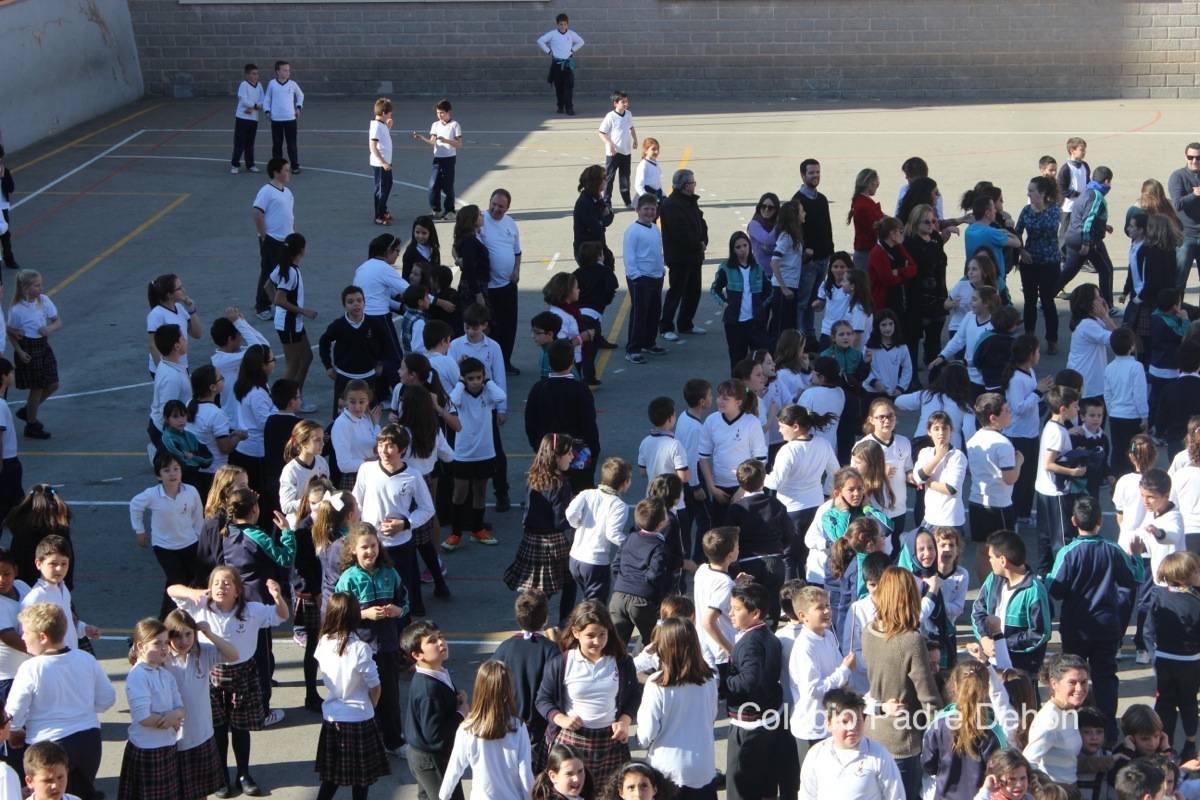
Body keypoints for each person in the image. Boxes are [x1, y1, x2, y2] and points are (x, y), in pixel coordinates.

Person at [167, 567, 288, 797]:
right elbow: (172, 589)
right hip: (212, 671)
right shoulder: (199, 606)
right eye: (216, 583)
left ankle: (243, 774)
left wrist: (277, 597)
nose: (221, 588)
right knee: (218, 728)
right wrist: (193, 593)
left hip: (243, 672)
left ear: (238, 591)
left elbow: (281, 615)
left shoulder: (252, 610)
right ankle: (221, 774)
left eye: (227, 583)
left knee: (241, 728)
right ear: (209, 588)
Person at [1047, 496, 1144, 742]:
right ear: (1101, 521)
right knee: (1105, 675)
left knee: (1073, 675)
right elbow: (1134, 579)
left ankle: (1075, 723)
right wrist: (1137, 556)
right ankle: (1107, 728)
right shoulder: (1113, 550)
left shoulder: (1068, 553)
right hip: (1107, 625)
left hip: (1075, 626)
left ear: (1072, 521)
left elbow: (1055, 589)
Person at [5, 602, 115, 800]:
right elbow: (108, 698)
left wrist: (16, 730)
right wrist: (83, 708)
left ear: (42, 636)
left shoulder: (32, 667)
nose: (22, 637)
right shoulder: (85, 659)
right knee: (84, 792)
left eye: (25, 632)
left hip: (49, 746)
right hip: (88, 741)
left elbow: (15, 710)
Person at [535, 600, 639, 791]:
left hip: (610, 742)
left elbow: (634, 695)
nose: (597, 641)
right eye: (590, 635)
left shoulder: (622, 662)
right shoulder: (562, 663)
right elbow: (543, 699)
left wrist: (625, 720)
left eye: (602, 634)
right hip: (572, 742)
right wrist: (561, 719)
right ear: (576, 633)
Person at [861, 566, 942, 799]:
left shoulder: (869, 631)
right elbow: (928, 699)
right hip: (903, 741)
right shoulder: (911, 641)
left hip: (873, 733)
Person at [312, 592, 391, 800]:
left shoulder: (323, 642)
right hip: (359, 719)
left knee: (331, 778)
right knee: (361, 780)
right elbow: (375, 685)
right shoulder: (360, 648)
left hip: (333, 715)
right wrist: (371, 706)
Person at [636, 618, 719, 799]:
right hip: (703, 767)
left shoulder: (657, 684)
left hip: (668, 770)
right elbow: (712, 715)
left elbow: (646, 732)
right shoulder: (709, 679)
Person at [163, 609, 239, 800]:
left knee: (200, 794)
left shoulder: (202, 653)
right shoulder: (163, 659)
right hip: (173, 739)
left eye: (188, 634)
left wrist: (210, 634)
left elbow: (233, 655)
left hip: (200, 735)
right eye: (177, 635)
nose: (183, 641)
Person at [723, 581, 787, 800]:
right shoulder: (769, 636)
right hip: (771, 717)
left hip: (750, 725)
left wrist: (724, 682)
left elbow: (749, 680)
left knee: (740, 786)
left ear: (756, 613)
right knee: (766, 785)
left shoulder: (751, 642)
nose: (730, 613)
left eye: (737, 609)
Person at [919, 660, 1016, 800]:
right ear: (986, 688)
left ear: (955, 686)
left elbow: (928, 764)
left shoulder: (938, 724)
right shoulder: (993, 730)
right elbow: (1002, 769)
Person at [503, 434, 575, 619]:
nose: (572, 456)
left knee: (540, 591)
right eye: (568, 453)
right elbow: (560, 520)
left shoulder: (534, 477)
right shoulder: (560, 483)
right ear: (556, 456)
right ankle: (564, 623)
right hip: (554, 543)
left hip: (532, 540)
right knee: (569, 582)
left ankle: (530, 620)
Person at [130, 451, 203, 619]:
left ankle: (181, 618)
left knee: (191, 580)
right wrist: (139, 530)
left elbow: (198, 518)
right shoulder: (152, 495)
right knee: (177, 581)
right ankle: (168, 620)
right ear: (158, 475)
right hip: (164, 547)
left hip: (190, 543)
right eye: (166, 470)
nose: (172, 474)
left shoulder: (191, 492)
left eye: (176, 469)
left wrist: (201, 539)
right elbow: (135, 505)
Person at [493, 591, 560, 774]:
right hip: (538, 731)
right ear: (545, 618)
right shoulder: (551, 650)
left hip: (506, 728)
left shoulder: (504, 648)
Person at [118, 618, 185, 800]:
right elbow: (144, 717)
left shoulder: (165, 674)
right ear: (141, 646)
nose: (164, 648)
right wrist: (170, 720)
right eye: (157, 643)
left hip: (167, 746)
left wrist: (175, 715)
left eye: (165, 643)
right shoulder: (138, 675)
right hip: (147, 750)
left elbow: (180, 708)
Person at [787, 585, 854, 767]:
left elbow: (839, 668)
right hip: (812, 729)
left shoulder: (829, 636)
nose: (827, 611)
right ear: (803, 616)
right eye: (819, 608)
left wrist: (844, 671)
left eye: (827, 606)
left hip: (830, 724)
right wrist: (844, 671)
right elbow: (813, 690)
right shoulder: (804, 647)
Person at [971, 530, 1051, 680]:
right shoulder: (993, 580)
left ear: (1003, 560)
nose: (989, 561)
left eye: (991, 557)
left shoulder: (1034, 590)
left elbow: (1040, 633)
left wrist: (1002, 645)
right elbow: (978, 611)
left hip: (1022, 672)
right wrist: (984, 638)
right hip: (993, 666)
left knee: (1025, 704)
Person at [400, 620, 466, 800]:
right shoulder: (429, 690)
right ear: (417, 654)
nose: (440, 642)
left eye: (440, 637)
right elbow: (435, 736)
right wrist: (461, 713)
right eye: (432, 641)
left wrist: (455, 700)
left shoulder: (438, 672)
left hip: (425, 755)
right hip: (431, 760)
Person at [1143, 551, 1200, 760]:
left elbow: (1147, 630)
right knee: (1188, 702)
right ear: (1185, 575)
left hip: (1164, 659)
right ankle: (1190, 743)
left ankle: (1165, 744)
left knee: (1165, 702)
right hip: (1191, 662)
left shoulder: (1158, 596)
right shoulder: (1195, 601)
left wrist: (1154, 654)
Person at [798, 688, 904, 800]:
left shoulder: (878, 755)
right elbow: (807, 795)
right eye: (845, 721)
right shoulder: (816, 755)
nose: (852, 727)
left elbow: (896, 796)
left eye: (857, 720)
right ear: (829, 723)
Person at [446, 357, 506, 547]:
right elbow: (452, 400)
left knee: (480, 492)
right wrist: (460, 384)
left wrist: (488, 381)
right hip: (464, 454)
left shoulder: (488, 393)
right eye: (470, 379)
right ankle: (455, 533)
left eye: (479, 377)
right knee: (459, 494)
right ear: (463, 379)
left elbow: (501, 397)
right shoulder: (461, 395)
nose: (475, 382)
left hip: (485, 453)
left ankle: (478, 529)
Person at [698, 379, 768, 525]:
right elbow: (703, 457)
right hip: (719, 489)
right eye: (719, 397)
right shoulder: (711, 421)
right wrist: (712, 487)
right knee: (721, 536)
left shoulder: (751, 423)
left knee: (744, 537)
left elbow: (760, 460)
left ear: (738, 402)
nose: (720, 401)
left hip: (746, 489)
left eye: (726, 398)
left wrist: (742, 489)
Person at [1034, 385, 1086, 574]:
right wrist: (1073, 473)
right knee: (1062, 537)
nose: (1077, 410)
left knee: (1045, 535)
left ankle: (1043, 572)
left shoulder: (1052, 425)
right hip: (1056, 492)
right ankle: (1065, 574)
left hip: (1043, 489)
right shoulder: (1058, 432)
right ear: (1063, 409)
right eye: (1075, 406)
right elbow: (1049, 464)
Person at [22, 536, 98, 652]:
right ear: (38, 564)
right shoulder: (36, 597)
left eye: (64, 564)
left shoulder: (63, 589)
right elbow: (25, 635)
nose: (59, 569)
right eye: (53, 564)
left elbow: (68, 621)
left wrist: (84, 629)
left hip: (69, 656)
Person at [7, 270, 60, 439]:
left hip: (42, 345)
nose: (40, 288)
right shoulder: (16, 310)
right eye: (36, 285)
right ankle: (32, 424)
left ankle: (28, 410)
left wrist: (49, 329)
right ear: (25, 288)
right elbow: (11, 332)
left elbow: (57, 321)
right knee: (36, 388)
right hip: (28, 347)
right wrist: (19, 351)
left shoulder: (44, 301)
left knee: (53, 384)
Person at [352, 234, 408, 394]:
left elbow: (379, 296)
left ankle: (381, 394)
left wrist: (399, 306)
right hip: (380, 319)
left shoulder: (363, 267)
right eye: (397, 251)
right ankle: (402, 393)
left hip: (364, 318)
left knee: (377, 358)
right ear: (388, 251)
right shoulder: (384, 268)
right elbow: (408, 289)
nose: (398, 254)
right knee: (395, 357)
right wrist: (435, 302)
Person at [1022, 654, 1089, 784]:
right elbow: (1029, 761)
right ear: (1054, 684)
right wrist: (1047, 791)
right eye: (1072, 682)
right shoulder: (1050, 720)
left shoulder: (1069, 710)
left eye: (1084, 682)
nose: (1079, 689)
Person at [659, 169, 708, 340]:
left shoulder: (690, 202)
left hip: (694, 256)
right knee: (677, 291)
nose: (694, 185)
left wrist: (703, 240)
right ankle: (665, 326)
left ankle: (686, 323)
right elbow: (680, 232)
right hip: (680, 257)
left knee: (693, 291)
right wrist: (698, 244)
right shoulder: (671, 205)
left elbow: (701, 222)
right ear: (685, 185)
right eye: (692, 182)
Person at [711, 230, 772, 368]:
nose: (742, 250)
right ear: (733, 250)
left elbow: (770, 290)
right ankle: (738, 388)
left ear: (749, 246)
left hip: (756, 322)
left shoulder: (757, 268)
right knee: (737, 360)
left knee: (760, 360)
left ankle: (759, 387)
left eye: (745, 245)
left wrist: (761, 305)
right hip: (734, 323)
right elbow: (715, 289)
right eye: (738, 247)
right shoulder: (726, 268)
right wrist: (724, 303)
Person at [1058, 166, 1117, 305]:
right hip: (1087, 239)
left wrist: (1104, 226)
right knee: (1106, 269)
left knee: (1069, 271)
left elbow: (1082, 214)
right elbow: (1088, 220)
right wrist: (1086, 243)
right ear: (1107, 181)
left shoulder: (1087, 191)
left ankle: (1046, 296)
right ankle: (1108, 305)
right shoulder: (1096, 195)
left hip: (1072, 236)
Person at [1016, 175, 1062, 349]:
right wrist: (1021, 249)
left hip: (1049, 261)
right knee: (1029, 301)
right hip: (1029, 261)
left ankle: (1052, 339)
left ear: (1042, 193)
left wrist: (1038, 210)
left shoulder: (1053, 210)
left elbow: (1048, 226)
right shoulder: (1026, 211)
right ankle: (1029, 337)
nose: (1028, 194)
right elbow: (1017, 232)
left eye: (1031, 191)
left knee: (1047, 300)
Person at [480, 189, 522, 374]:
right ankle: (488, 365)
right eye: (494, 204)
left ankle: (506, 362)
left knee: (508, 326)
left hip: (507, 285)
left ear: (507, 208)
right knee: (488, 328)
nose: (496, 209)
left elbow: (517, 251)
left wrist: (516, 270)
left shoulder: (510, 223)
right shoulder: (479, 221)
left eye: (501, 206)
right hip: (487, 288)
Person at [622, 194, 666, 365]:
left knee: (654, 312)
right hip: (641, 278)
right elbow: (629, 256)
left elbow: (657, 252)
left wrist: (661, 270)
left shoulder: (655, 229)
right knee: (639, 314)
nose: (649, 212)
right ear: (638, 210)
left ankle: (649, 343)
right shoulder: (632, 231)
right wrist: (635, 276)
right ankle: (633, 349)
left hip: (656, 277)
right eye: (646, 209)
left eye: (652, 209)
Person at [250, 158, 295, 319]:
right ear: (276, 172)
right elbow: (257, 212)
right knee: (269, 273)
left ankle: (283, 304)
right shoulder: (267, 191)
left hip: (285, 240)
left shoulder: (287, 192)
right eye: (285, 170)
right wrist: (264, 237)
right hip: (272, 240)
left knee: (284, 272)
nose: (288, 172)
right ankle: (262, 306)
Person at [794, 158, 834, 336]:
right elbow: (795, 231)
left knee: (813, 301)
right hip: (808, 262)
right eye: (811, 173)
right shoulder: (798, 201)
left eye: (817, 172)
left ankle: (809, 336)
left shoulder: (822, 199)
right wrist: (805, 253)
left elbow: (827, 227)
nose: (815, 176)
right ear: (803, 175)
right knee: (803, 302)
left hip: (823, 258)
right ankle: (799, 337)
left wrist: (830, 251)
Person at [1105, 328, 1149, 476]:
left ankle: (1117, 481)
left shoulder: (1109, 368)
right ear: (1132, 346)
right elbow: (1139, 394)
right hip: (1133, 416)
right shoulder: (1137, 367)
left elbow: (1107, 394)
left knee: (1117, 450)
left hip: (1115, 415)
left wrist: (1112, 411)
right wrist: (1144, 415)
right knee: (1134, 451)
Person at [964, 193, 1022, 298]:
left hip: (974, 278)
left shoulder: (969, 230)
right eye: (993, 208)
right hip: (993, 279)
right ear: (987, 213)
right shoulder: (992, 233)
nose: (995, 211)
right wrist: (1006, 230)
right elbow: (1017, 243)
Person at [145, 273, 202, 376]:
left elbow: (197, 334)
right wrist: (165, 371)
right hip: (168, 368)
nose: (183, 290)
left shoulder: (179, 308)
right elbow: (153, 346)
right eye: (179, 288)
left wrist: (191, 310)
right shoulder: (157, 314)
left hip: (182, 365)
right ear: (169, 294)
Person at [148, 323, 191, 451]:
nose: (185, 340)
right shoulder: (172, 378)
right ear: (177, 346)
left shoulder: (167, 364)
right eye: (182, 337)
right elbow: (166, 411)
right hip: (166, 434)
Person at [1168, 141, 1200, 290]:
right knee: (1179, 281)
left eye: (1198, 158)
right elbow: (1177, 205)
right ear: (1186, 157)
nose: (1194, 161)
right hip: (1186, 236)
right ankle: (1176, 311)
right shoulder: (1178, 176)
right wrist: (1194, 195)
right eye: (1190, 157)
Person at [537, 14, 583, 115]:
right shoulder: (552, 34)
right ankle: (560, 106)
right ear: (557, 24)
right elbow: (540, 41)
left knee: (569, 86)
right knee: (559, 87)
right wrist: (549, 51)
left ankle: (569, 108)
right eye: (561, 24)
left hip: (567, 63)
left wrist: (572, 50)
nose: (563, 26)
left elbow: (581, 42)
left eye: (565, 24)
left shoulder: (571, 34)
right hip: (556, 64)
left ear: (567, 24)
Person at [597, 91, 637, 209]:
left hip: (626, 152)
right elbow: (601, 132)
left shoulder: (628, 114)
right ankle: (607, 202)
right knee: (609, 178)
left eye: (626, 101)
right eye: (622, 102)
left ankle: (627, 201)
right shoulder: (610, 116)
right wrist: (609, 144)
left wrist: (635, 139)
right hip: (613, 153)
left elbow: (631, 127)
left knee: (625, 178)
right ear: (615, 103)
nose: (626, 104)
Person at [263, 61, 303, 174]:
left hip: (290, 119)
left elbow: (300, 95)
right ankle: (278, 167)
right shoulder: (272, 84)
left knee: (292, 144)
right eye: (285, 70)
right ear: (278, 71)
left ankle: (294, 166)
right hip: (276, 120)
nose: (287, 72)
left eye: (288, 70)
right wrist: (267, 111)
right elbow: (267, 98)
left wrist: (298, 107)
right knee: (277, 144)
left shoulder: (293, 84)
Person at [573, 165, 615, 270]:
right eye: (604, 178)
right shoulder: (585, 202)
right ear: (596, 181)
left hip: (598, 246)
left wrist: (603, 220)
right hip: (587, 251)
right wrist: (602, 220)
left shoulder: (597, 197)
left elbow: (609, 216)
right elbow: (597, 228)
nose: (607, 180)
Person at [847, 168, 883, 269]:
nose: (877, 186)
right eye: (876, 183)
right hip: (866, 252)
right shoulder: (864, 205)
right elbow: (874, 228)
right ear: (870, 184)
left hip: (866, 251)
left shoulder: (863, 201)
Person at [367, 96, 394, 226]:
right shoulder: (376, 126)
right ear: (383, 113)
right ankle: (379, 215)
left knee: (388, 185)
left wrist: (388, 127)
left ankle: (383, 210)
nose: (390, 115)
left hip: (386, 162)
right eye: (389, 113)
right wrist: (383, 162)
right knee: (381, 189)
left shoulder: (382, 125)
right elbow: (373, 146)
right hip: (380, 164)